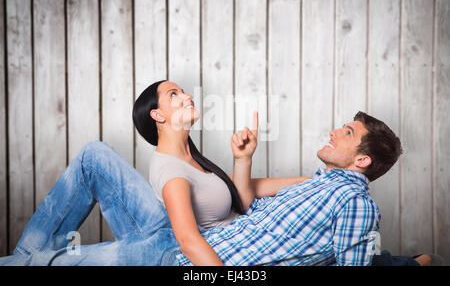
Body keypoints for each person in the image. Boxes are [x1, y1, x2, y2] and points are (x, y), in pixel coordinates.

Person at [0, 80, 436, 266]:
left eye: (344, 132)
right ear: (158, 116)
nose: (187, 94)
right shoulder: (168, 167)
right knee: (53, 256)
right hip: (172, 244)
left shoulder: (329, 190)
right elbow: (190, 238)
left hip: (187, 251)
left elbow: (248, 199)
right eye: (175, 94)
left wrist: (242, 159)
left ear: (361, 160)